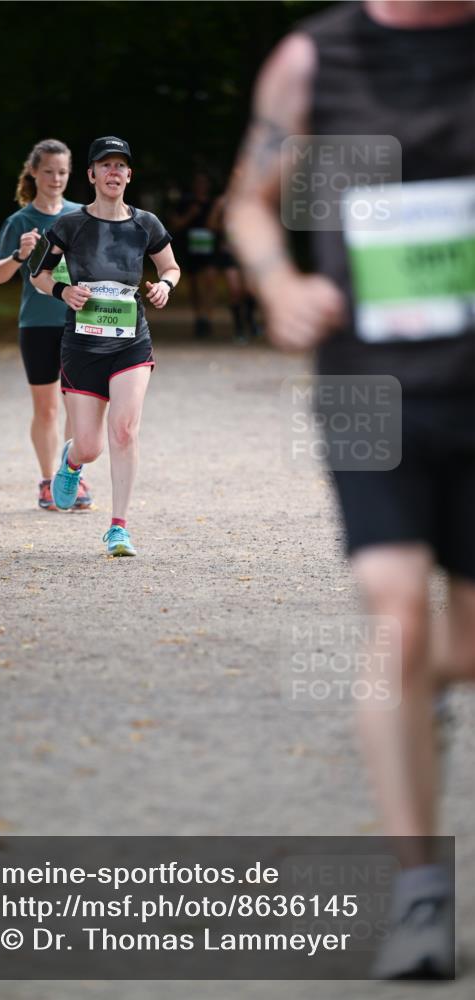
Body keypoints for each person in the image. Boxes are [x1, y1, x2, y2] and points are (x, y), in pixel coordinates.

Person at [226, 0, 474, 980]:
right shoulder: (312, 60)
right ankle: (417, 890)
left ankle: (416, 695)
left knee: (434, 650)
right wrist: (278, 283)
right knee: (393, 613)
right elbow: (250, 199)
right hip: (371, 385)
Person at [31, 136, 180, 557]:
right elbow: (37, 275)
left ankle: (119, 528)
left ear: (129, 176)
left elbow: (170, 266)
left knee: (125, 430)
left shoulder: (145, 225)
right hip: (81, 346)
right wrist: (63, 292)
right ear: (92, 174)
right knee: (91, 445)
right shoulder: (69, 225)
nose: (114, 172)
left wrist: (165, 286)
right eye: (105, 165)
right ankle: (73, 462)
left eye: (121, 166)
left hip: (131, 342)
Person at [0, 138, 93, 511]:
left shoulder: (83, 215)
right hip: (37, 324)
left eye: (63, 172)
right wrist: (20, 254)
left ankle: (72, 476)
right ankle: (48, 480)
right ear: (33, 172)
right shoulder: (20, 222)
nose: (55, 178)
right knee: (47, 409)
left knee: (77, 405)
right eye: (48, 171)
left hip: (79, 322)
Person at [207, 189, 260, 344]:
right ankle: (239, 328)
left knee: (250, 290)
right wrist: (220, 214)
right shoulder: (223, 202)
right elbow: (210, 225)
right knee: (235, 290)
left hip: (249, 253)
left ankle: (250, 320)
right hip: (229, 253)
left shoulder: (254, 198)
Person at [169, 171, 217, 339]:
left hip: (211, 247)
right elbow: (175, 224)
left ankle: (208, 316)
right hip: (190, 248)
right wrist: (191, 214)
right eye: (198, 183)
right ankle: (199, 318)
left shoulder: (213, 203)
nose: (201, 186)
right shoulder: (185, 202)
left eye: (204, 183)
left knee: (210, 280)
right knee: (195, 284)